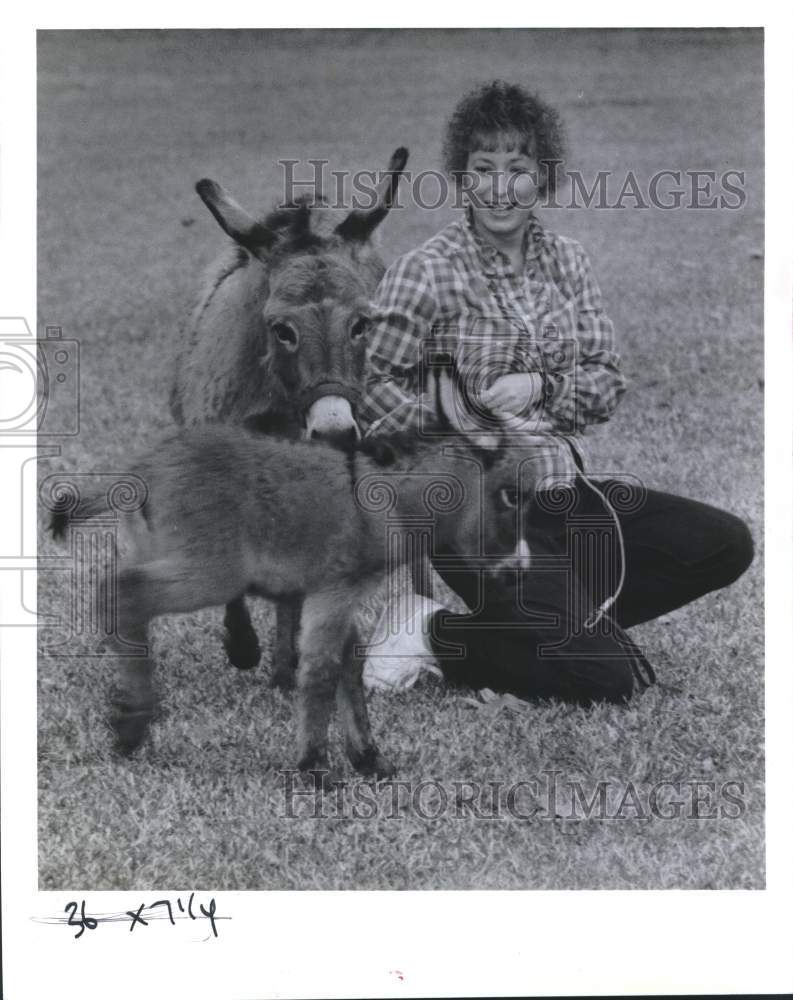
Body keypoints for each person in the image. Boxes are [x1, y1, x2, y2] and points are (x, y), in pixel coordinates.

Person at [358, 80, 753, 704]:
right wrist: (461, 425)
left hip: (567, 497)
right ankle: (433, 634)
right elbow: (372, 387)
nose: (498, 187)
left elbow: (604, 383)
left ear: (543, 177)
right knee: (603, 681)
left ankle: (548, 628)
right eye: (481, 169)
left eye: (517, 169)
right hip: (479, 514)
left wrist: (540, 384)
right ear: (462, 178)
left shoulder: (569, 262)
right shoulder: (426, 269)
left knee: (724, 544)